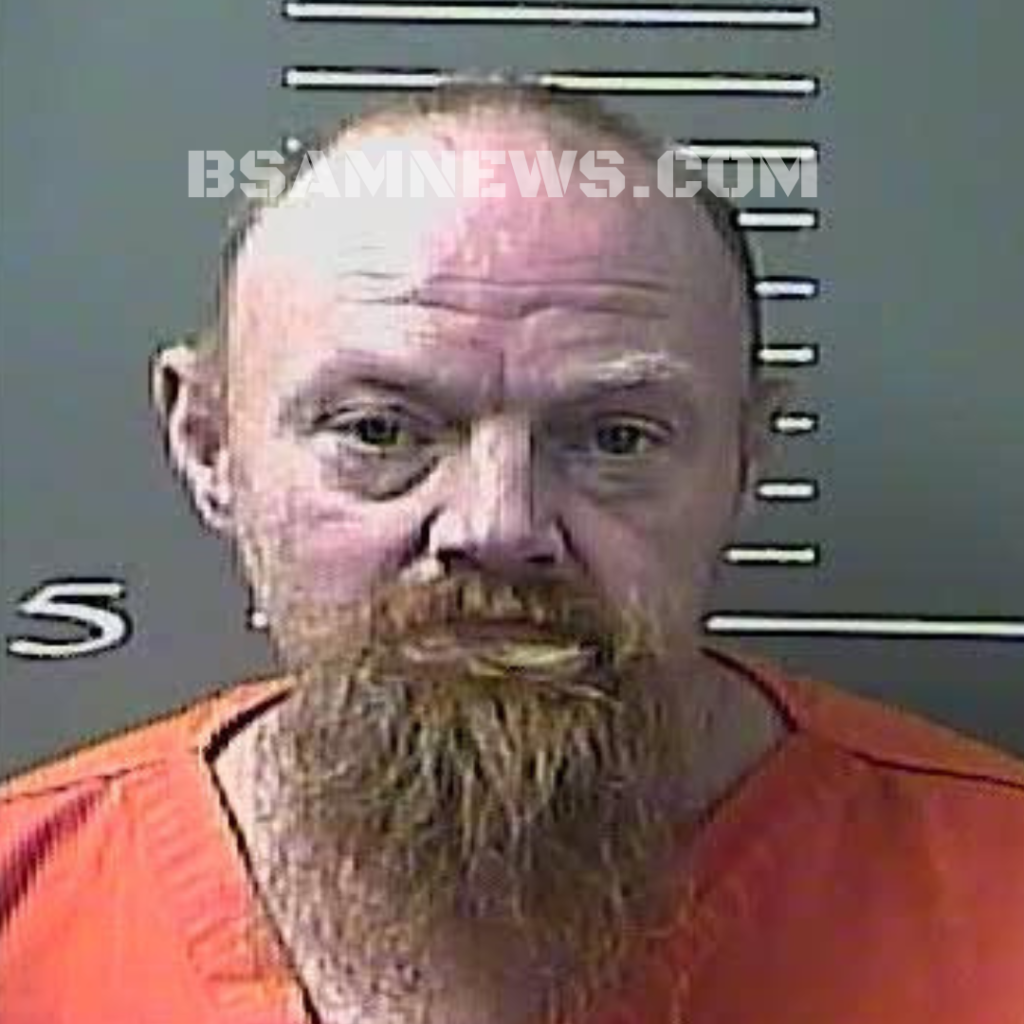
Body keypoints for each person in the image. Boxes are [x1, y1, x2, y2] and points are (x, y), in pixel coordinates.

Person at [1, 80, 1022, 1024]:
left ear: (747, 460)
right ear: (207, 445)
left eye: (616, 438)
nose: (496, 526)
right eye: (378, 431)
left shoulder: (998, 895)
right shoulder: (25, 910)